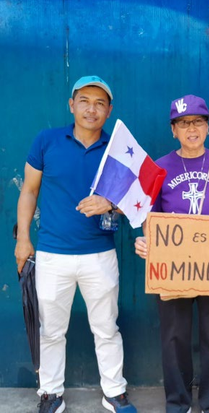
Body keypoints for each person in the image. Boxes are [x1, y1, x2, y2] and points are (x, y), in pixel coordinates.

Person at [14, 76, 136, 413]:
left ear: (109, 110)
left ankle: (114, 392)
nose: (91, 108)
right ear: (72, 105)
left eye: (99, 103)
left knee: (106, 328)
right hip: (52, 253)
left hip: (100, 254)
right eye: (84, 100)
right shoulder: (47, 141)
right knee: (51, 330)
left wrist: (109, 203)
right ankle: (51, 393)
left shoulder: (118, 149)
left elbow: (136, 201)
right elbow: (29, 190)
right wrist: (23, 239)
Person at [134, 94, 209, 413]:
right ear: (173, 130)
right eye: (183, 123)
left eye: (198, 122)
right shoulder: (160, 167)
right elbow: (152, 219)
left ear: (207, 127)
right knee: (174, 340)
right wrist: (146, 243)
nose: (192, 129)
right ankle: (177, 403)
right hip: (173, 268)